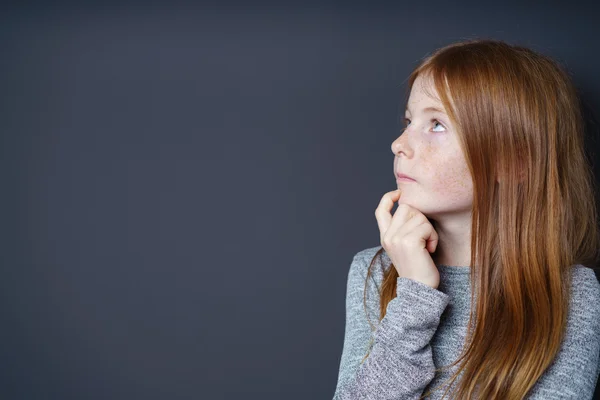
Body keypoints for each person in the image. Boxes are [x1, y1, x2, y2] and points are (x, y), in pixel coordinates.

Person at [332, 39, 600, 399]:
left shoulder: (573, 294)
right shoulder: (374, 272)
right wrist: (416, 294)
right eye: (409, 121)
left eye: (437, 125)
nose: (399, 143)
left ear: (514, 161)